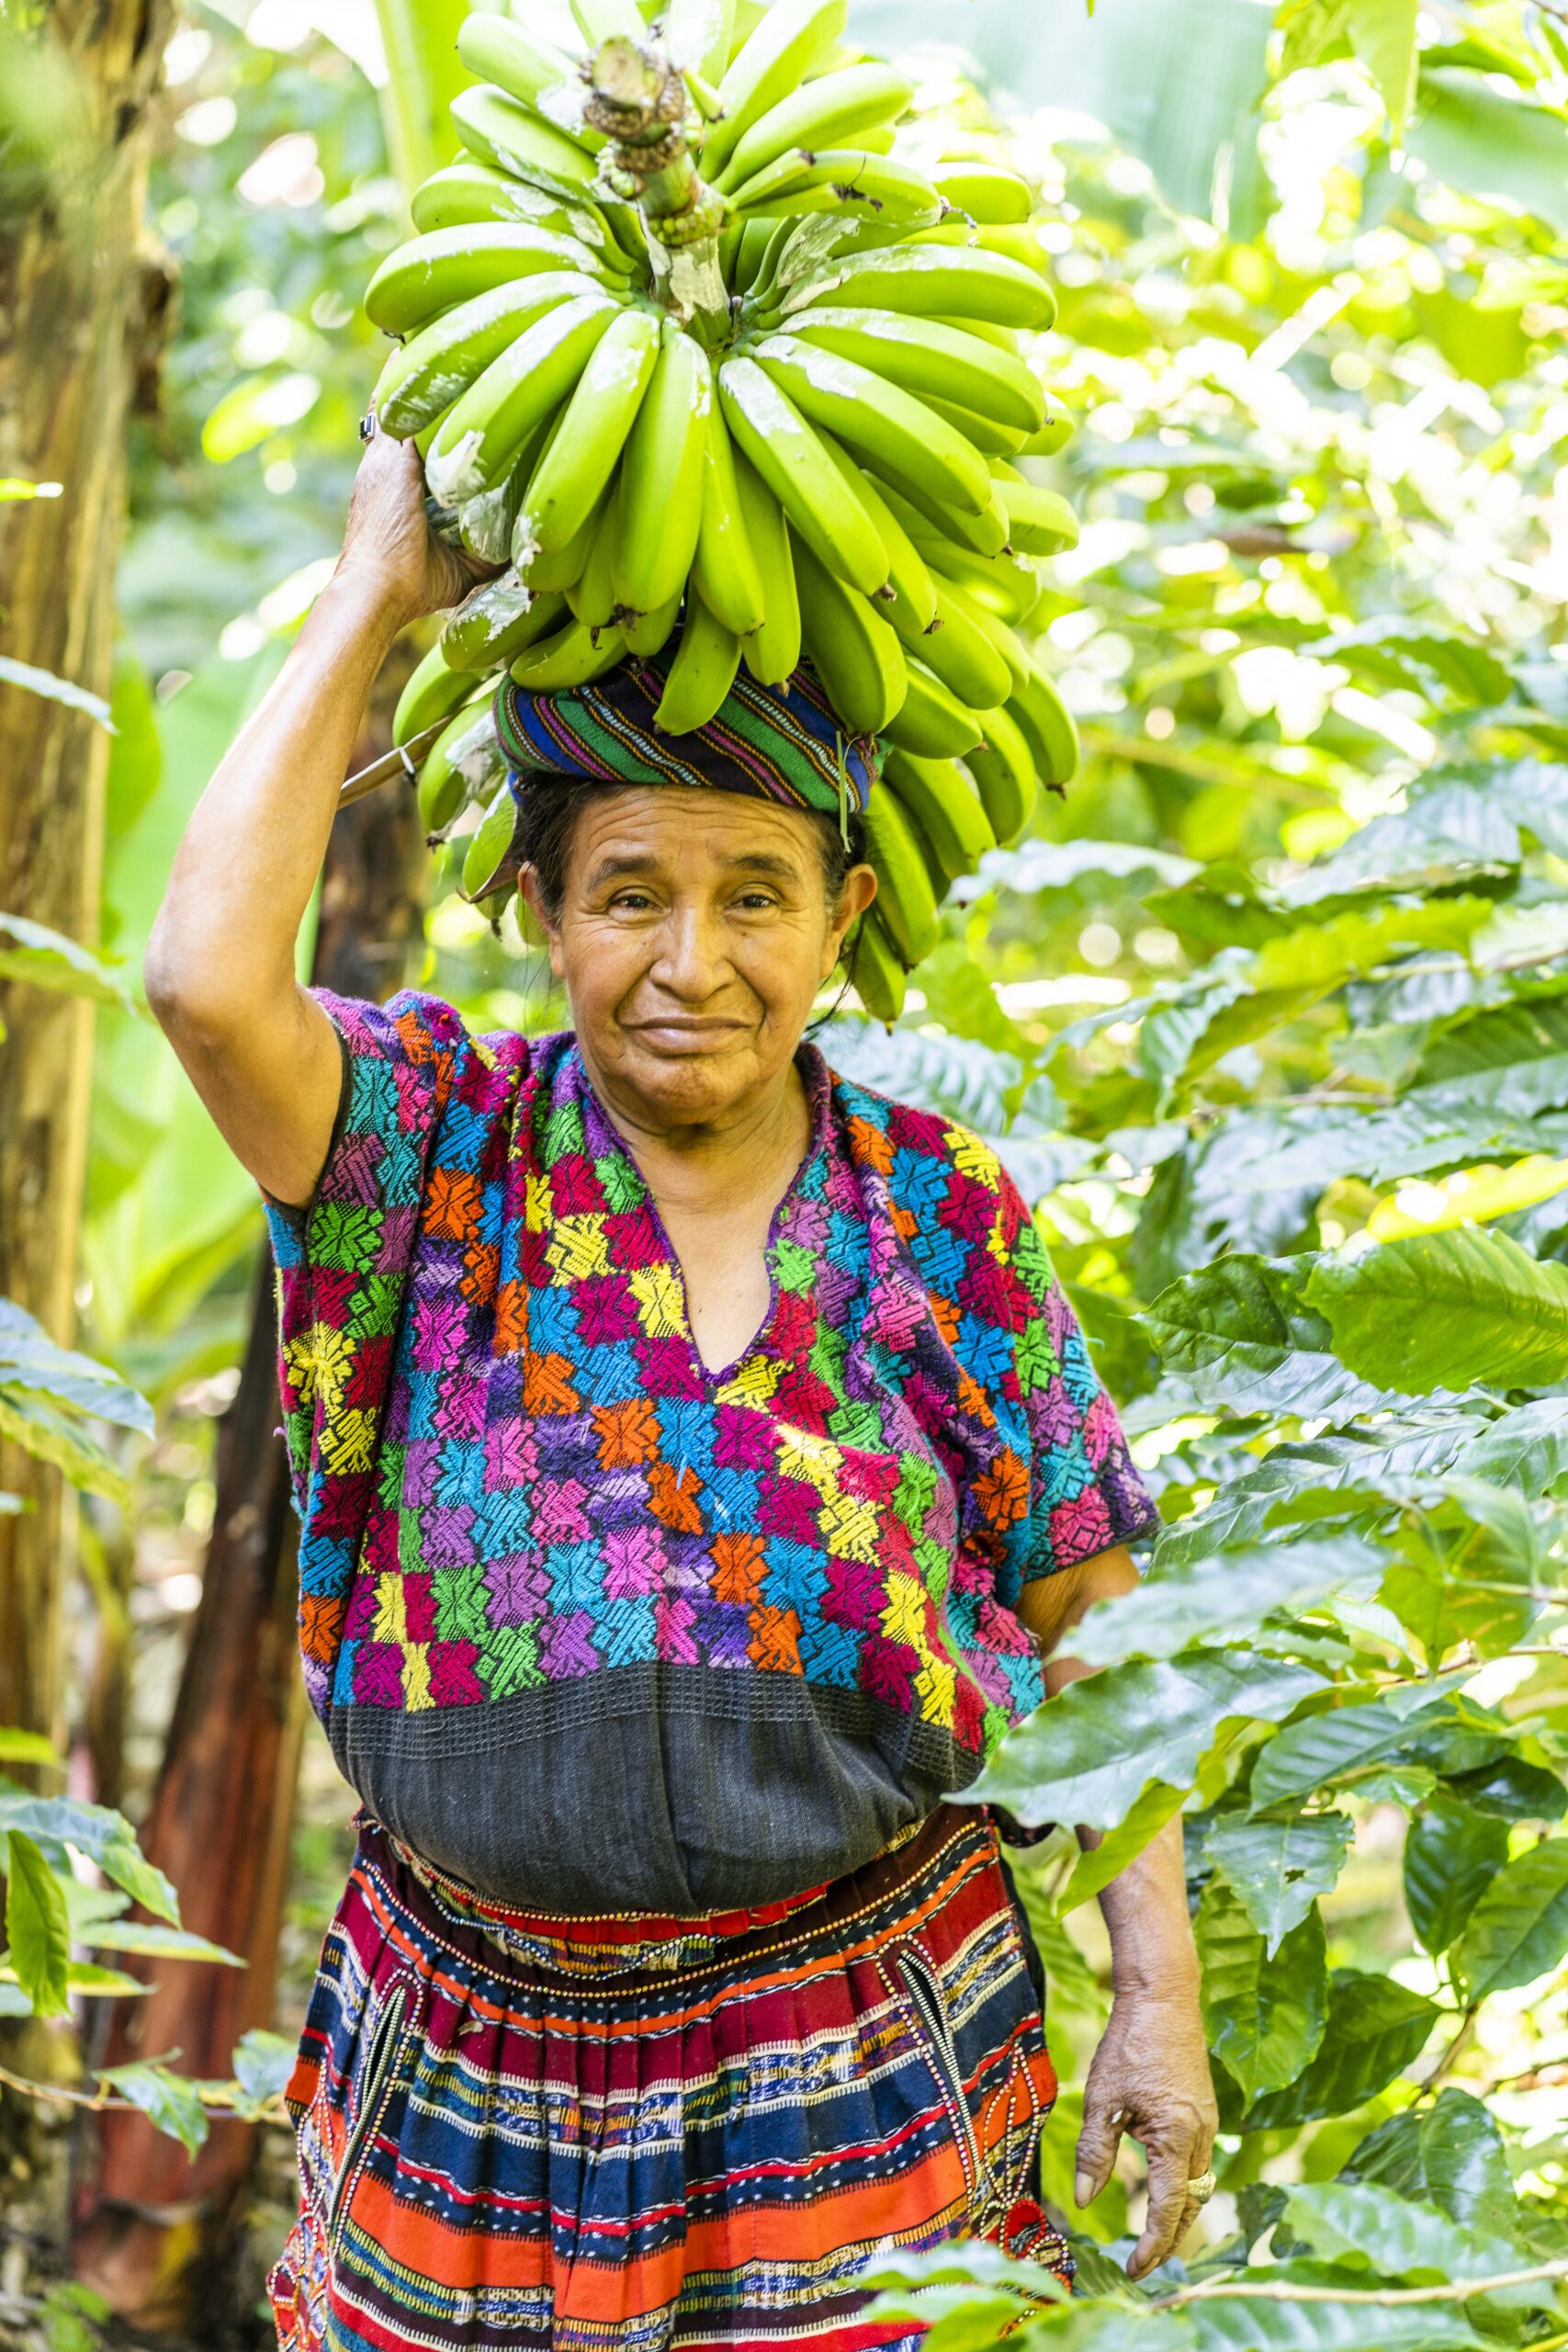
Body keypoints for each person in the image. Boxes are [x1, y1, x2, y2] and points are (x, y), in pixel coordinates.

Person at [147, 420, 1217, 2352]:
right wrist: (373, 593)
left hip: (862, 2058)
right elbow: (209, 988)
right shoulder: (430, 1149)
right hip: (465, 2068)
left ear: (841, 922)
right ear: (543, 915)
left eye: (755, 894)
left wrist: (1161, 1992)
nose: (689, 960)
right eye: (628, 891)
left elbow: (1092, 1616)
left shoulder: (936, 1209)